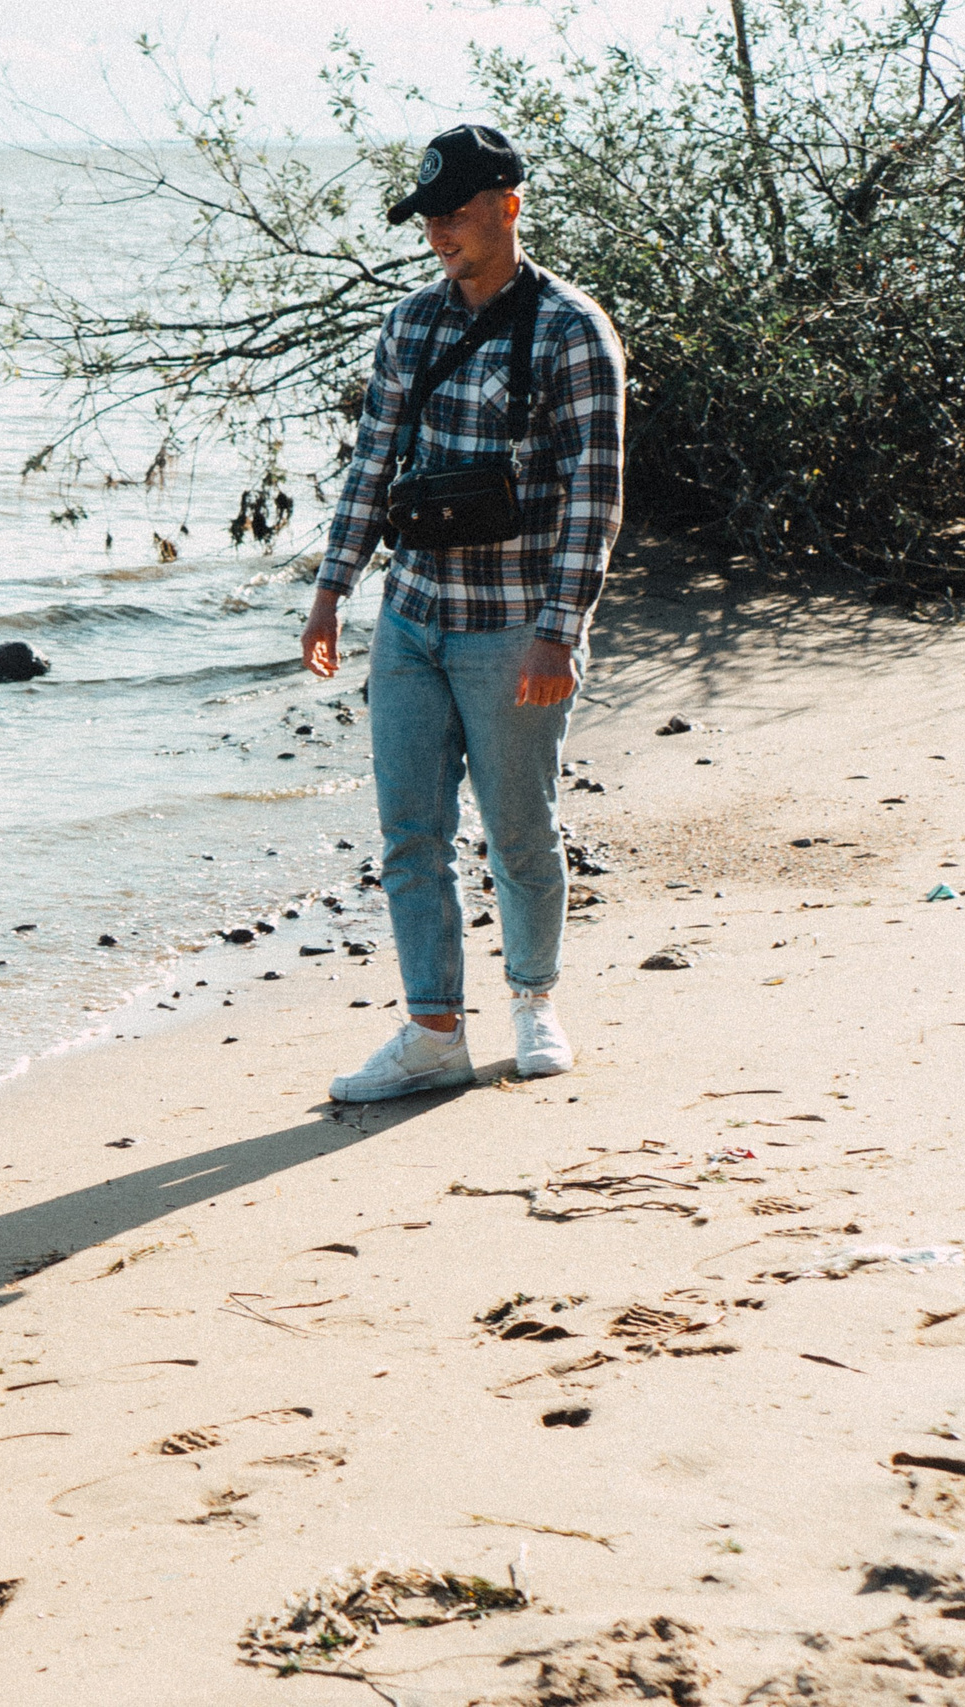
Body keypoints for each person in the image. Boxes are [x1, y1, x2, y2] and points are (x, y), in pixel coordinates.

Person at [302, 123, 626, 1102]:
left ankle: (533, 1005)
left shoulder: (571, 330)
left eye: (452, 213)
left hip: (512, 625)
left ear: (507, 204)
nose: (437, 232)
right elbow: (372, 463)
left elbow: (593, 495)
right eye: (427, 217)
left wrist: (557, 628)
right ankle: (433, 1030)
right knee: (409, 834)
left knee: (520, 830)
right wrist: (330, 590)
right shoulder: (410, 323)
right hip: (410, 618)